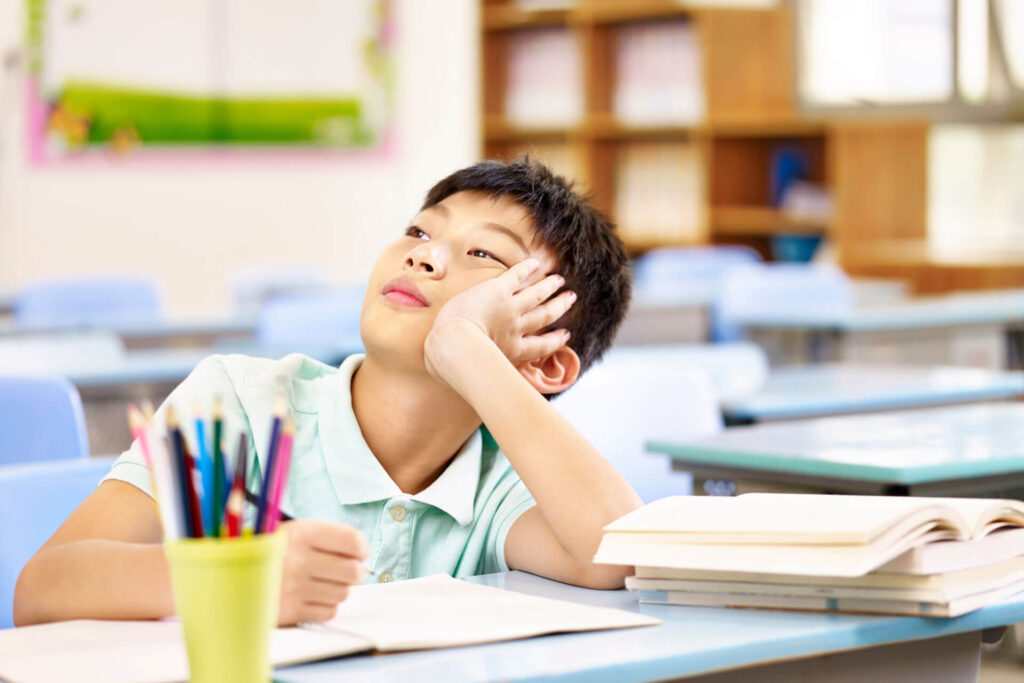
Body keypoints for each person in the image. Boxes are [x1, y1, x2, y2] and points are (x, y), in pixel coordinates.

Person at [14, 158, 641, 627]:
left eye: (483, 255)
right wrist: (236, 582)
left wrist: (467, 347)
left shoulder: (504, 477)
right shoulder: (243, 401)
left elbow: (616, 553)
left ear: (546, 363)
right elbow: (43, 589)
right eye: (420, 234)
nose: (425, 258)